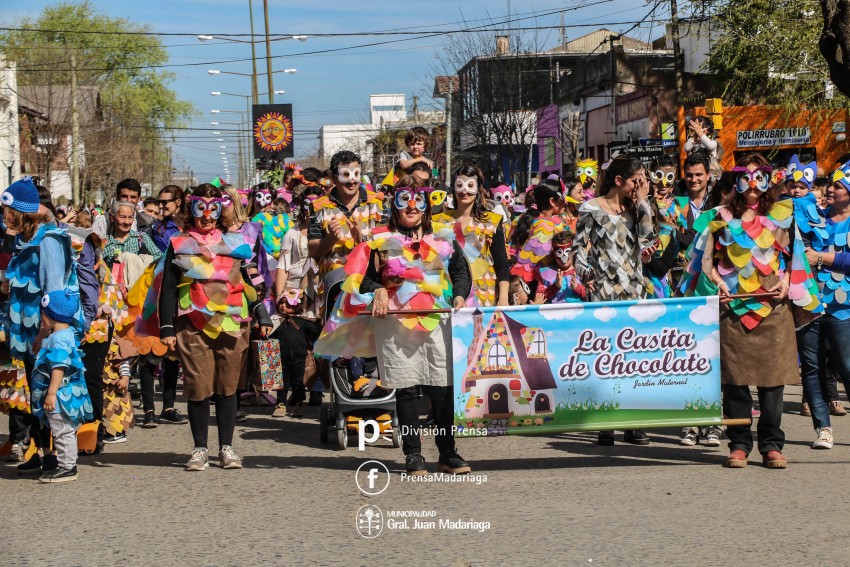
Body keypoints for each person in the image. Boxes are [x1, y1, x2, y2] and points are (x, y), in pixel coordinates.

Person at [313, 179, 472, 475]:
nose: (411, 207)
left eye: (417, 200)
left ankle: (447, 452)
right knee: (407, 387)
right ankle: (413, 455)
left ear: (426, 206)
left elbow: (461, 271)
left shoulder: (443, 238)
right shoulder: (379, 239)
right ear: (394, 205)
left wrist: (460, 294)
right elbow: (363, 276)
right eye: (403, 200)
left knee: (442, 387)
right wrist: (379, 291)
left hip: (438, 319)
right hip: (396, 323)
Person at [680, 153, 822, 468]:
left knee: (772, 382)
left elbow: (793, 257)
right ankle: (740, 444)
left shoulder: (784, 214)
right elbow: (704, 261)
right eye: (748, 176)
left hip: (773, 309)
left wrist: (787, 283)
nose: (754, 184)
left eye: (761, 176)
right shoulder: (720, 216)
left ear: (769, 179)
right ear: (738, 179)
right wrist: (718, 283)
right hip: (733, 309)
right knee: (735, 381)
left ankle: (771, 445)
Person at [158, 184, 272, 471]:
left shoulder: (235, 243)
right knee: (198, 385)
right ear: (191, 208)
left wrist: (262, 313)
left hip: (232, 322)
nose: (207, 215)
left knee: (228, 386)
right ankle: (199, 449)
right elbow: (168, 289)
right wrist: (167, 328)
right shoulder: (179, 244)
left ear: (222, 209)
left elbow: (248, 281)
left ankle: (226, 447)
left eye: (213, 208)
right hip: (192, 324)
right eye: (200, 207)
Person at [571, 155, 656, 446]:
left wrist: (643, 203)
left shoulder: (637, 208)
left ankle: (633, 422)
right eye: (637, 181)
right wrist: (587, 275)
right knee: (607, 358)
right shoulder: (591, 209)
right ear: (619, 181)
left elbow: (647, 241)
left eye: (644, 181)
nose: (641, 186)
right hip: (604, 291)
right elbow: (578, 249)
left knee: (633, 358)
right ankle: (605, 421)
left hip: (634, 290)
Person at [3, 177, 85, 475]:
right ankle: (43, 453)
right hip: (26, 327)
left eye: (6, 210)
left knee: (49, 393)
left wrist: (43, 333)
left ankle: (61, 459)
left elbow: (53, 291)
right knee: (35, 392)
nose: (3, 216)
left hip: (44, 330)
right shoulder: (26, 239)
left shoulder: (49, 240)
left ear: (19, 212)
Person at [308, 150, 384, 400]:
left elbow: (387, 245)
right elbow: (314, 252)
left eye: (356, 174)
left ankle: (371, 375)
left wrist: (363, 241)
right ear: (333, 177)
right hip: (336, 281)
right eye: (345, 174)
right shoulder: (319, 208)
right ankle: (351, 374)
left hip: (371, 276)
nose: (352, 180)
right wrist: (331, 238)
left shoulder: (376, 202)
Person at [797, 162, 850, 448]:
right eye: (831, 183)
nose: (830, 189)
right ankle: (823, 428)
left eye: (838, 186)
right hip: (808, 302)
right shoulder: (813, 217)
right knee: (811, 366)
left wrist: (820, 258)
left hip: (844, 306)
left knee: (846, 365)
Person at [101, 201, 162, 441]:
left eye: (129, 217)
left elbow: (157, 261)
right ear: (113, 218)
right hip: (114, 303)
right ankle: (114, 412)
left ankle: (149, 411)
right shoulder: (104, 242)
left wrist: (134, 261)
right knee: (118, 355)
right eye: (122, 217)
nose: (126, 221)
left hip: (138, 303)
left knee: (145, 357)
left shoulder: (140, 239)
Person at [30, 290, 94, 483]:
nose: (41, 319)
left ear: (51, 316)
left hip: (59, 395)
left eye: (43, 315)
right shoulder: (64, 333)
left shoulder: (58, 339)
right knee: (63, 429)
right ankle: (65, 464)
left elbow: (58, 366)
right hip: (62, 394)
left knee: (62, 430)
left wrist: (51, 393)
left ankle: (68, 467)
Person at [137, 186, 187, 428]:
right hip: (155, 291)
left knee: (172, 352)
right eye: (160, 201)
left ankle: (168, 406)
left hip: (184, 293)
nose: (162, 205)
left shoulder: (188, 227)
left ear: (178, 202)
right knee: (149, 350)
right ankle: (148, 410)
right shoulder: (155, 229)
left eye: (166, 201)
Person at [442, 166, 510, 307]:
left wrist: (503, 299)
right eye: (459, 185)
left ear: (478, 188)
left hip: (483, 295)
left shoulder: (492, 221)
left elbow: (501, 263)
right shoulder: (440, 221)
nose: (464, 191)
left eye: (470, 185)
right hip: (448, 293)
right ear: (454, 188)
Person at [271, 289, 321, 417]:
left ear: (295, 306)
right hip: (281, 358)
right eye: (281, 303)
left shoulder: (303, 321)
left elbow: (315, 333)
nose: (283, 306)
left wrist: (319, 322)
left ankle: (297, 405)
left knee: (298, 383)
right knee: (282, 383)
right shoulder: (276, 321)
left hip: (299, 358)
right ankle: (281, 404)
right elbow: (269, 337)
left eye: (287, 304)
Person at [510, 180, 567, 291]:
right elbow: (529, 265)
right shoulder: (544, 225)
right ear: (552, 201)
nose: (566, 202)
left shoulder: (524, 218)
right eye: (562, 198)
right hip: (538, 286)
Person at [248, 182, 292, 260]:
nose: (262, 202)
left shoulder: (279, 222)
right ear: (253, 198)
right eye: (259, 196)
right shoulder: (243, 220)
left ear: (271, 202)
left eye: (267, 198)